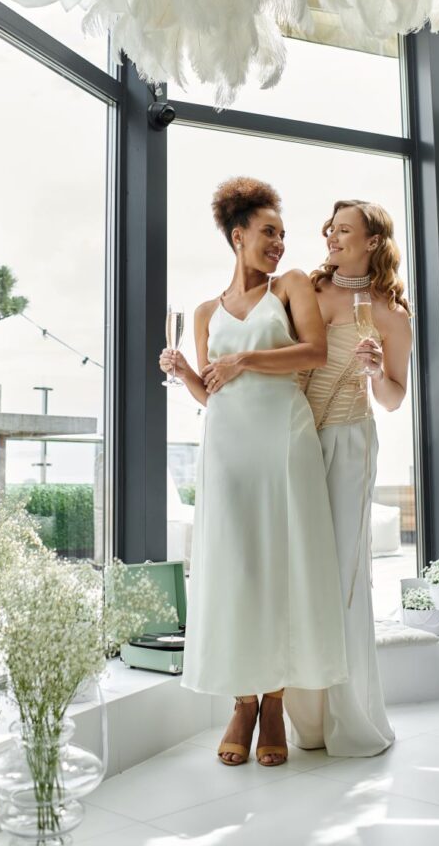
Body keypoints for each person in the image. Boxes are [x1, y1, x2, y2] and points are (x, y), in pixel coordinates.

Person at [160, 177, 348, 768]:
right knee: (235, 569)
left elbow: (314, 352)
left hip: (283, 443)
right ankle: (241, 701)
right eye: (269, 233)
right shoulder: (205, 310)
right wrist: (185, 370)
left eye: (284, 234)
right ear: (237, 236)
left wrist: (244, 357)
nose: (280, 244)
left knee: (280, 565)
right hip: (227, 449)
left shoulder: (289, 287)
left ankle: (273, 702)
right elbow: (211, 394)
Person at [284, 199, 412, 757]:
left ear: (372, 243)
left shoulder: (391, 315)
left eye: (344, 231)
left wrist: (373, 369)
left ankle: (349, 715)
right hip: (297, 435)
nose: (332, 238)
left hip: (351, 440)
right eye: (330, 230)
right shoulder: (308, 292)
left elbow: (393, 397)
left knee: (342, 573)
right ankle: (304, 722)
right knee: (298, 570)